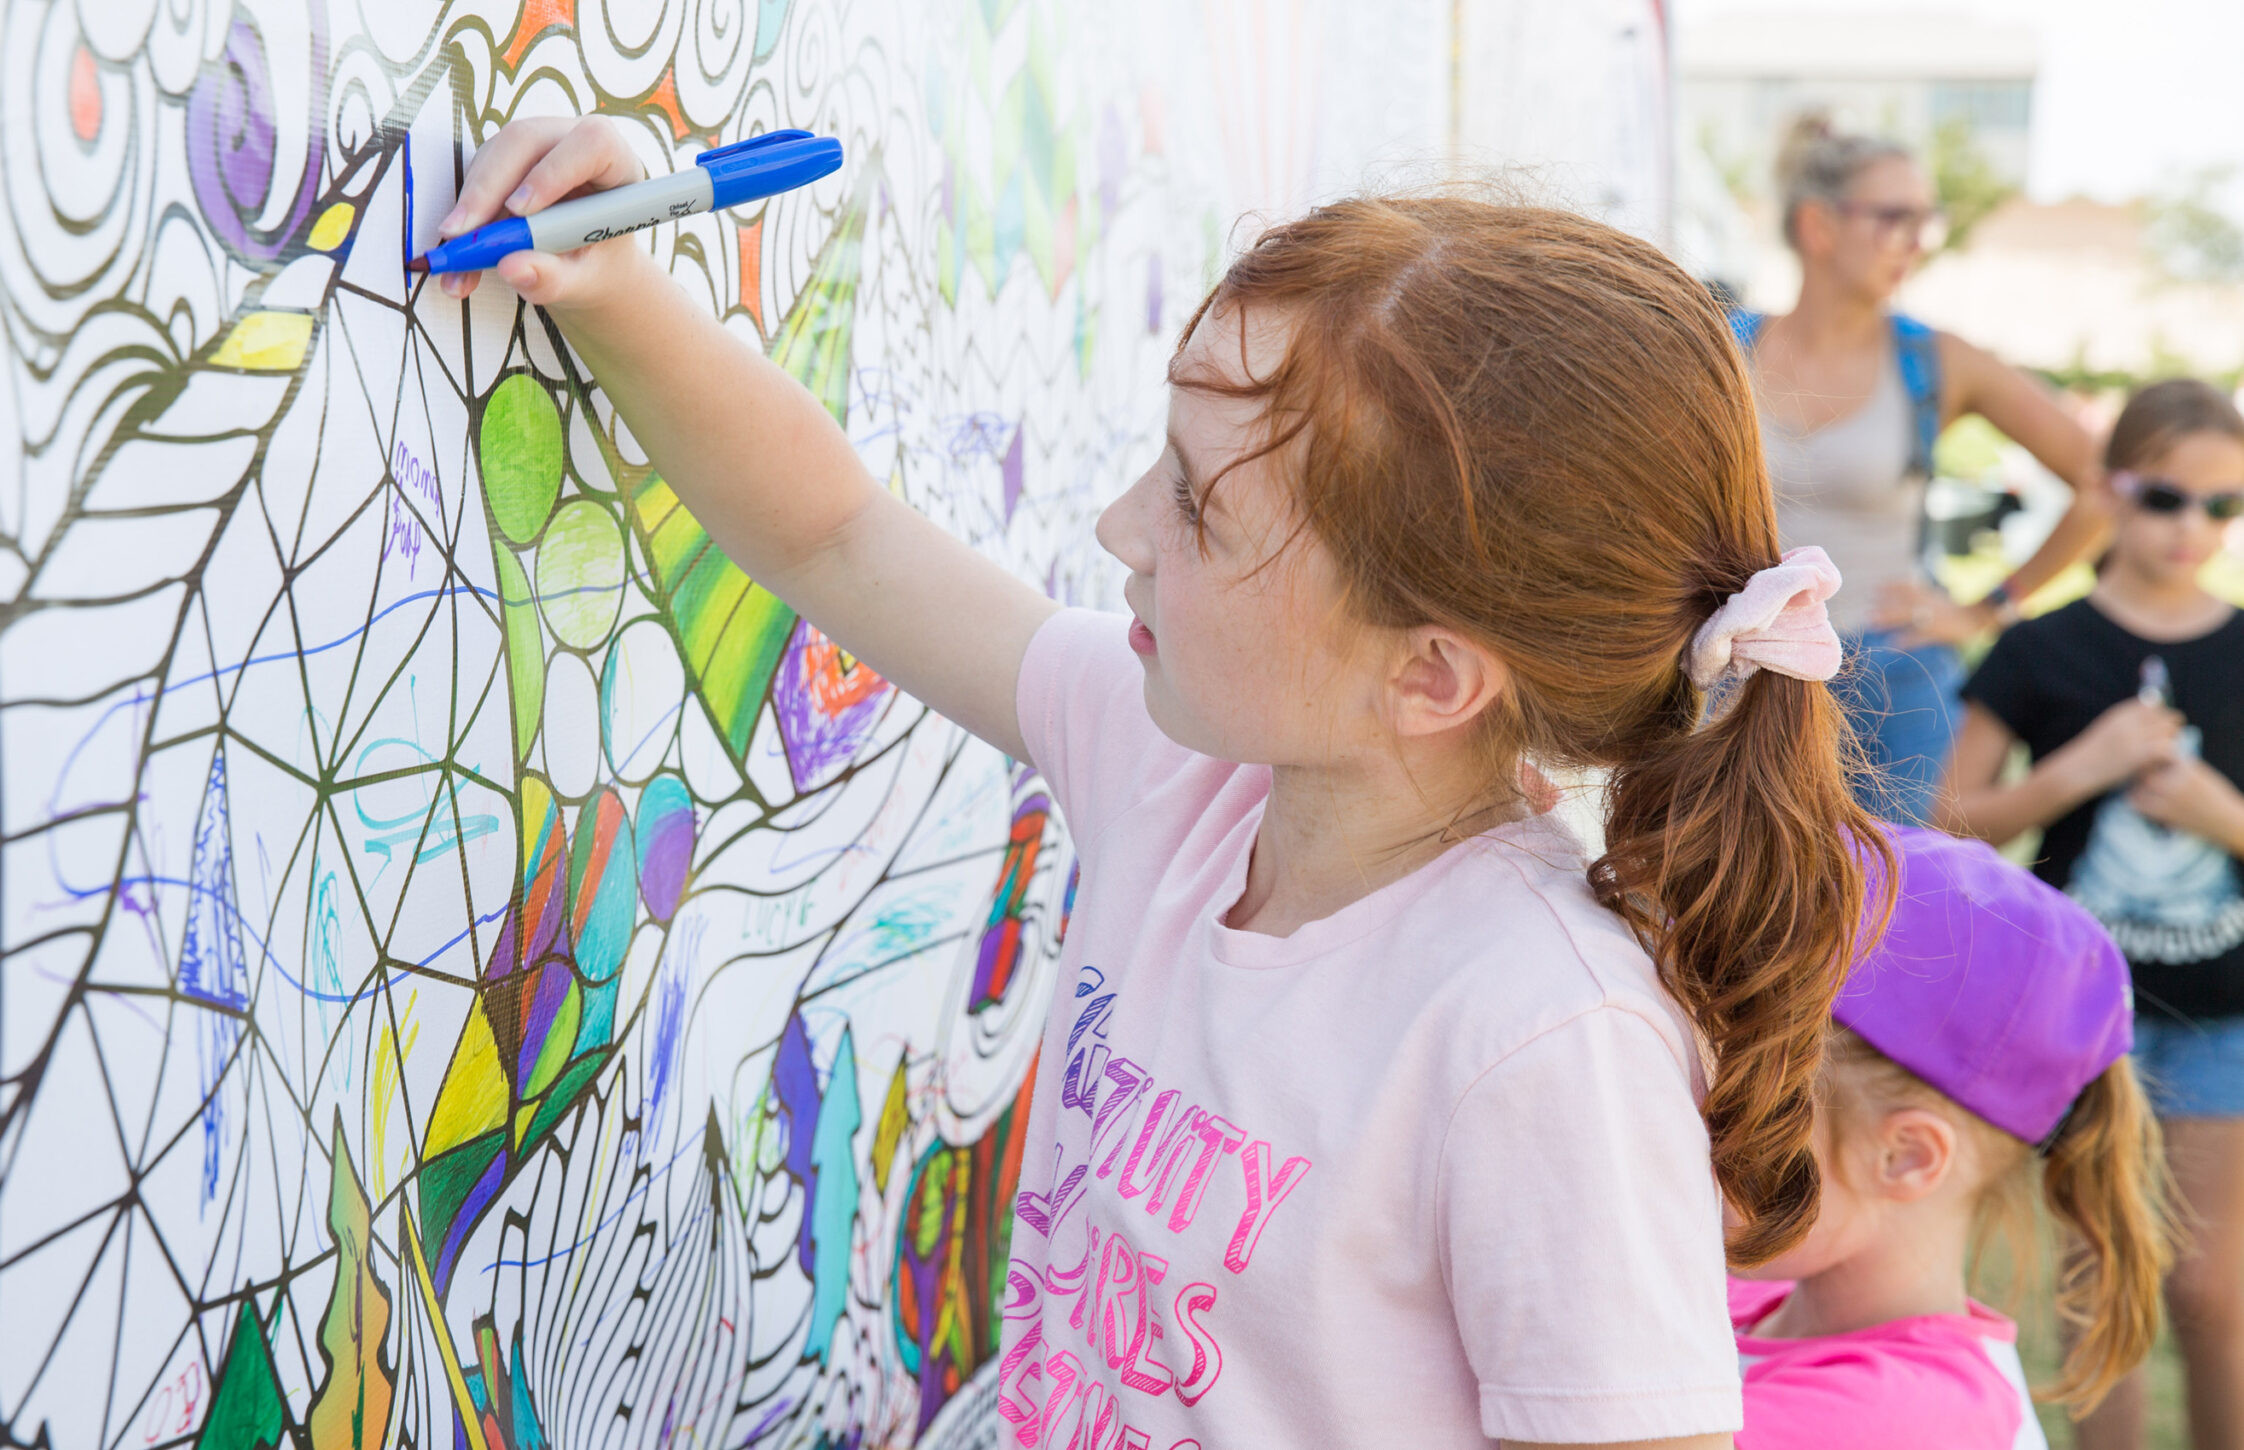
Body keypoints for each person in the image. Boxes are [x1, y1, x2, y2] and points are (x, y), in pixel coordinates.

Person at [437, 119, 1889, 1448]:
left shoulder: (1540, 1035)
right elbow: (839, 539)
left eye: (1198, 506)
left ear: (1432, 675)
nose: (1120, 526)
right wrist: (612, 285)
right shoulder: (1182, 774)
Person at [1942, 378, 2244, 1450]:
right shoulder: (2041, 649)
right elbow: (1949, 819)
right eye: (2167, 498)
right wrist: (2081, 767)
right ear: (2113, 487)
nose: (2192, 527)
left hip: (2221, 1011)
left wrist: (2219, 815)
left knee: (2211, 1287)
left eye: (2224, 506)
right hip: (2082, 1013)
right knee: (2100, 1281)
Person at [1728, 828, 2172, 1450]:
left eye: (1743, 1101)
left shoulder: (1890, 1417)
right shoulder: (1751, 1296)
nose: (1692, 1113)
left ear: (1905, 1156)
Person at [1733, 115, 2109, 825]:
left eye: (1925, 220)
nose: (1918, 241)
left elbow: (2103, 485)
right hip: (1739, 669)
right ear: (1818, 225)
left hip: (1890, 682)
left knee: (1897, 890)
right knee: (1721, 885)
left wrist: (1987, 609)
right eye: (1893, 218)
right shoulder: (1723, 350)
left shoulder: (1937, 360)